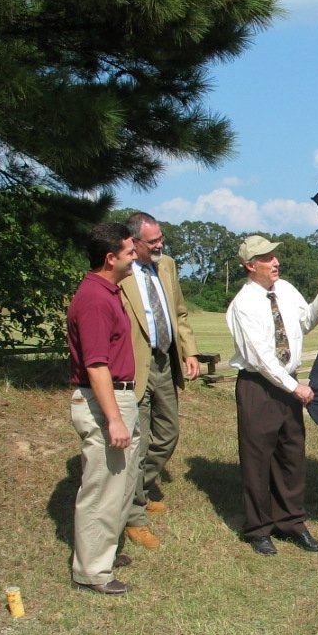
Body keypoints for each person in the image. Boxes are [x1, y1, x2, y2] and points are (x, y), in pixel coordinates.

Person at [226, 235, 318, 556]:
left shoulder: (286, 289)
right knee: (257, 459)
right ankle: (258, 529)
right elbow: (260, 357)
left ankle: (291, 522)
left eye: (274, 256)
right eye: (267, 258)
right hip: (259, 387)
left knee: (291, 455)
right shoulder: (243, 304)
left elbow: (305, 322)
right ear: (250, 266)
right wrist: (294, 387)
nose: (275, 262)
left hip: (288, 384)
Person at [119, 212, 200, 551]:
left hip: (164, 361)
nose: (159, 245)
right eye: (152, 241)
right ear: (133, 242)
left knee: (168, 434)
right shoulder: (121, 271)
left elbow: (179, 312)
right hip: (134, 366)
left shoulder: (166, 265)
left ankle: (138, 487)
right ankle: (134, 517)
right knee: (136, 445)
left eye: (160, 238)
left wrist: (189, 351)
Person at [66, 222, 140, 595]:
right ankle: (93, 571)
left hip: (120, 396)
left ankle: (104, 552)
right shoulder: (94, 299)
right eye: (130, 251)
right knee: (101, 488)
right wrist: (114, 419)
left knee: (119, 484)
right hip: (105, 400)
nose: (135, 256)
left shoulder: (108, 291)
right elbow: (96, 365)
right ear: (110, 258)